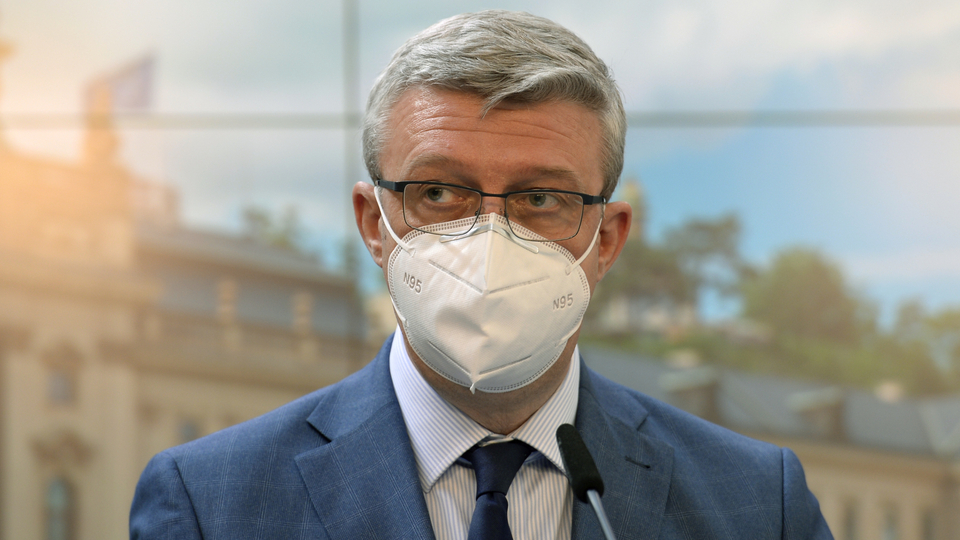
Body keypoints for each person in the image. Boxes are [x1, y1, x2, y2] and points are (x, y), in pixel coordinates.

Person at [130, 10, 833, 539]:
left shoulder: (756, 505)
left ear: (608, 239)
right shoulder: (210, 504)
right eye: (438, 193)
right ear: (373, 224)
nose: (488, 241)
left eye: (541, 199)